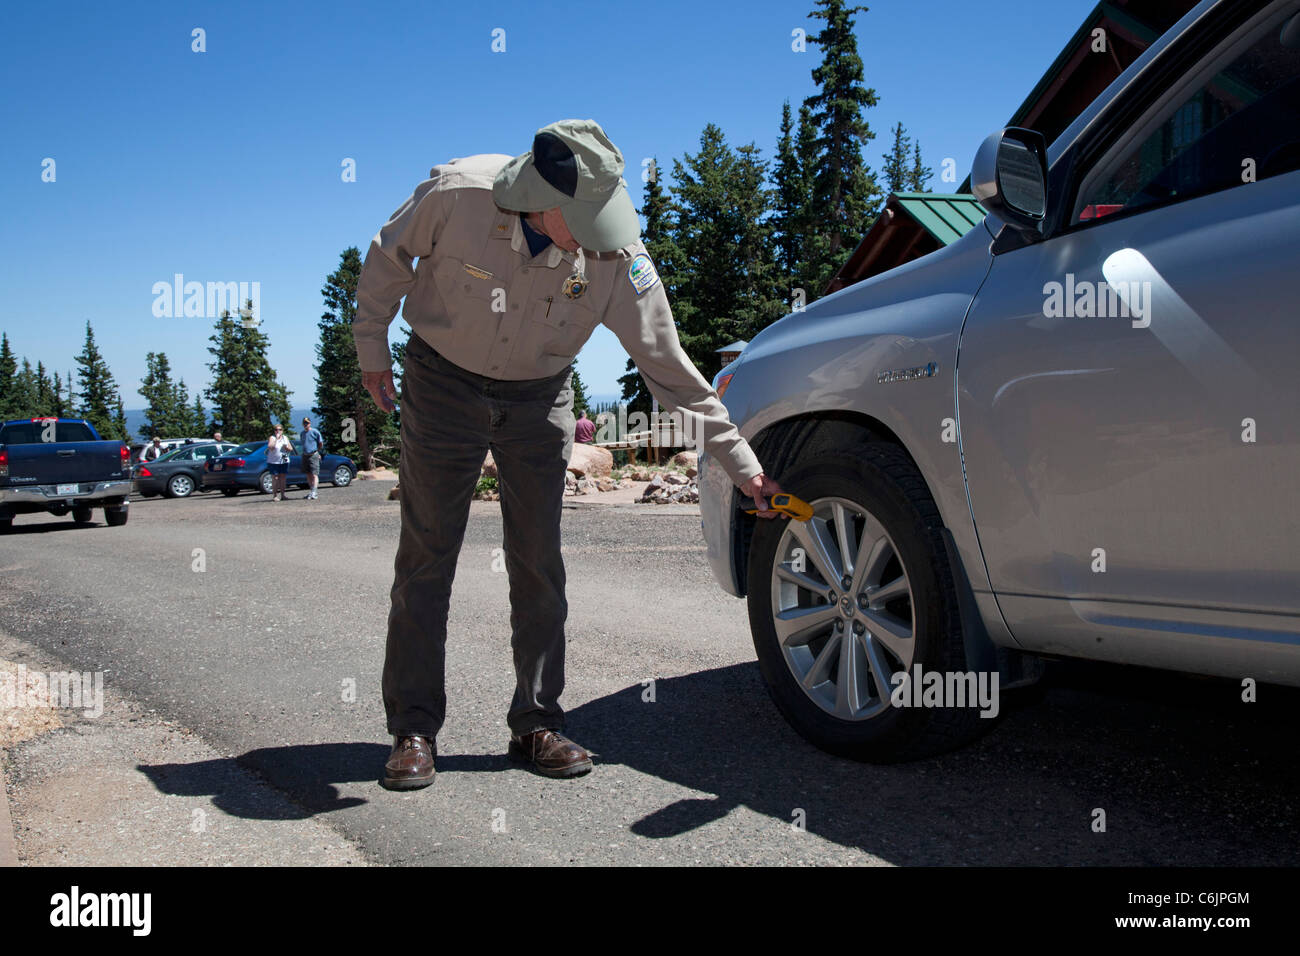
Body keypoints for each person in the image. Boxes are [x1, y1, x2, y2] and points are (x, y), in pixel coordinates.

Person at [354, 119, 786, 790]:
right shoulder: (457, 194)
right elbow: (388, 257)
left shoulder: (616, 260)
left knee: (539, 563)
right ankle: (413, 729)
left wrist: (741, 461)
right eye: (584, 217)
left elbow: (668, 367)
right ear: (540, 198)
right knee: (426, 556)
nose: (597, 234)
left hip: (539, 399)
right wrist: (371, 349)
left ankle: (536, 721)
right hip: (442, 383)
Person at [299, 417, 324, 500]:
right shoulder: (302, 433)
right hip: (305, 455)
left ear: (310, 423)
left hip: (313, 454)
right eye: (305, 423)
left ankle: (315, 492)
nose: (306, 425)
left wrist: (317, 451)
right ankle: (311, 491)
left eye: (307, 423)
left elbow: (320, 443)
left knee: (314, 474)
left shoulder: (315, 432)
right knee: (308, 474)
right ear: (303, 424)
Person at [266, 424, 293, 501]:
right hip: (273, 461)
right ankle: (275, 495)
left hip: (284, 460)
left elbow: (291, 448)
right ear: (274, 431)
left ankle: (283, 495)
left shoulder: (285, 438)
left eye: (280, 429)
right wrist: (276, 439)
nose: (278, 431)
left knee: (283, 478)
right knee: (275, 478)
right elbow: (270, 447)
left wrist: (286, 447)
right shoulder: (272, 438)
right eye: (276, 429)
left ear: (282, 430)